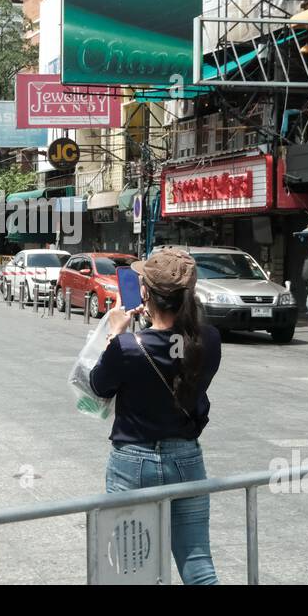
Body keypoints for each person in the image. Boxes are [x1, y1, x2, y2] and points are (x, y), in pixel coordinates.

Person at [89, 248, 223, 585]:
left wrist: (115, 335)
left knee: (132, 568)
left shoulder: (128, 347)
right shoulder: (209, 339)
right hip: (186, 459)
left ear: (145, 292)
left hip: (132, 461)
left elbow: (99, 386)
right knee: (198, 562)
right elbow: (176, 354)